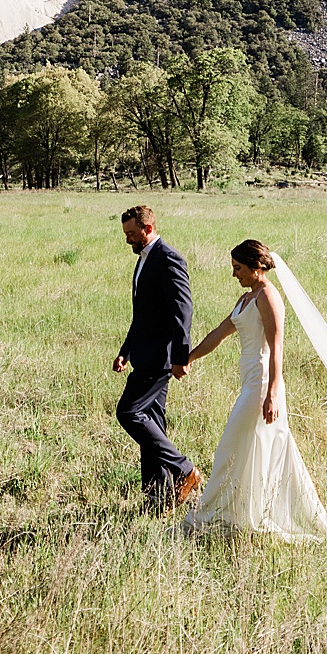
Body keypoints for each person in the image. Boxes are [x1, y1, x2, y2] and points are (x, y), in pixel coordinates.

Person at [173, 240, 327, 540]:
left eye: (238, 269)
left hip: (263, 384)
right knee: (247, 448)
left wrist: (273, 393)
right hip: (249, 382)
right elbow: (220, 333)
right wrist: (188, 358)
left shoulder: (268, 296)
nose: (234, 274)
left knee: (230, 445)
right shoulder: (246, 299)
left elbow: (277, 347)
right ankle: (242, 512)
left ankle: (218, 512)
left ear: (256, 267)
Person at [112, 203, 199, 509]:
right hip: (143, 353)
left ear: (147, 229)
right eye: (126, 234)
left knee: (129, 413)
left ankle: (184, 469)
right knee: (153, 423)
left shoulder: (169, 259)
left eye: (132, 234)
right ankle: (157, 497)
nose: (128, 240)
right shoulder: (143, 260)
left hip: (160, 358)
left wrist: (180, 356)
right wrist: (126, 350)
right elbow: (143, 314)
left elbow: (182, 310)